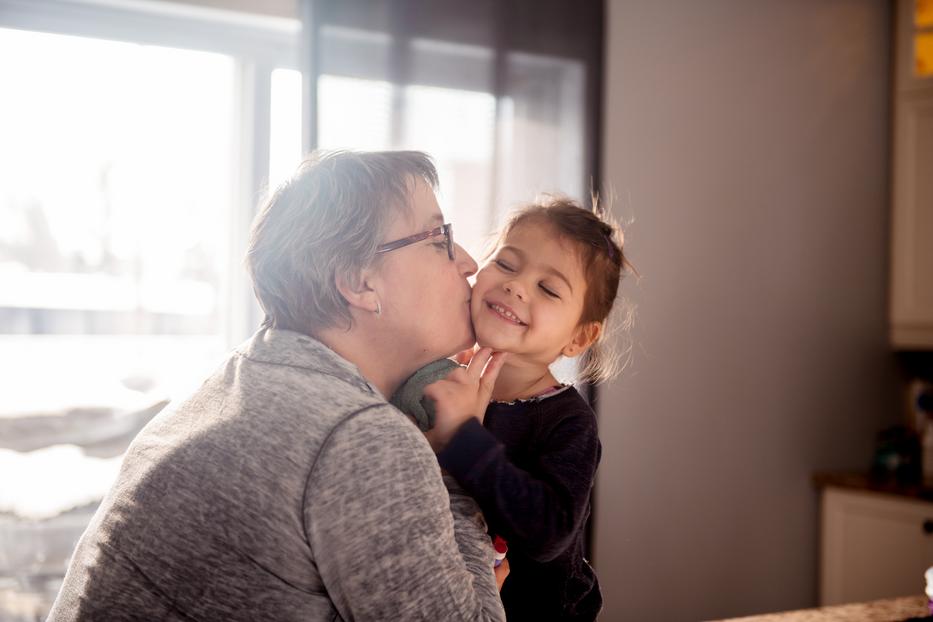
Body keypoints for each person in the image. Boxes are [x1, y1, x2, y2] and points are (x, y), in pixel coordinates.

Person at [47, 150, 508, 621]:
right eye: (438, 239)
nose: (469, 262)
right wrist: (457, 446)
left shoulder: (240, 379)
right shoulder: (358, 437)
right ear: (358, 281)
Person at [422, 196, 630, 621]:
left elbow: (549, 533)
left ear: (578, 339)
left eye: (548, 288)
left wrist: (463, 437)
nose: (516, 286)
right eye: (507, 264)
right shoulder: (440, 377)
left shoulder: (567, 422)